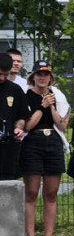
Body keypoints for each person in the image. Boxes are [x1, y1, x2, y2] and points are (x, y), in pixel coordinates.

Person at [22, 60, 70, 236]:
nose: (43, 78)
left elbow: (62, 125)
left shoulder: (57, 95)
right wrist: (41, 107)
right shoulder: (26, 96)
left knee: (51, 194)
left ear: (51, 77)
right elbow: (28, 126)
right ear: (33, 76)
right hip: (33, 142)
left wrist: (51, 106)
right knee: (32, 192)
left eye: (46, 74)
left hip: (53, 143)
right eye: (39, 74)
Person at [0, 52, 28, 180]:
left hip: (8, 151)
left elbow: (22, 116)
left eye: (5, 75)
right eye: (0, 74)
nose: (2, 78)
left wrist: (19, 128)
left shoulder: (15, 90)